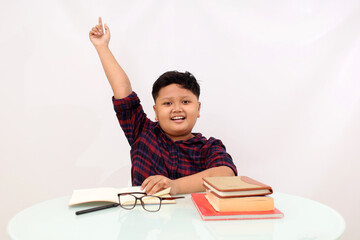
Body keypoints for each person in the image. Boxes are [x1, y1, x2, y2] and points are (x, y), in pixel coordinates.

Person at [89, 17, 237, 195]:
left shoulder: (209, 147)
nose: (177, 109)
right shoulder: (142, 132)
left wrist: (174, 186)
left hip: (192, 221)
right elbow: (122, 89)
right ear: (156, 112)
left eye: (185, 102)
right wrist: (102, 47)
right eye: (167, 103)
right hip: (144, 218)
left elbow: (226, 175)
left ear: (198, 109)